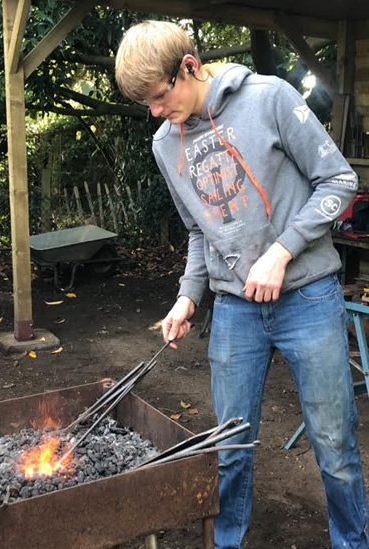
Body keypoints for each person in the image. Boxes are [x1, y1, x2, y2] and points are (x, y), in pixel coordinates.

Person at [116, 20, 368, 549]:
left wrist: (282, 251)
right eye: (148, 105)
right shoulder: (166, 144)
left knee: (333, 444)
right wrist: (188, 297)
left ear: (190, 66)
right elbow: (197, 232)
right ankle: (226, 542)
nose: (156, 113)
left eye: (160, 97)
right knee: (230, 445)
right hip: (234, 309)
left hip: (309, 297)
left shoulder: (270, 98)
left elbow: (340, 180)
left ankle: (352, 540)